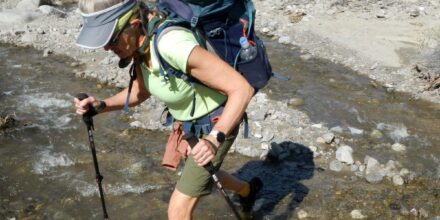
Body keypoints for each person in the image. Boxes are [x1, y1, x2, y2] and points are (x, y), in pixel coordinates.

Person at [73, 0, 262, 219]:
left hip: (217, 122)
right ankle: (247, 190)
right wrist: (100, 106)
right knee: (204, 172)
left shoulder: (171, 44)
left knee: (177, 211)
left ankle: (246, 189)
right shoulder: (141, 42)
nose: (106, 47)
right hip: (190, 125)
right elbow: (140, 92)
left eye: (111, 39)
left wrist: (212, 140)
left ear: (134, 24)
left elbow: (242, 89)